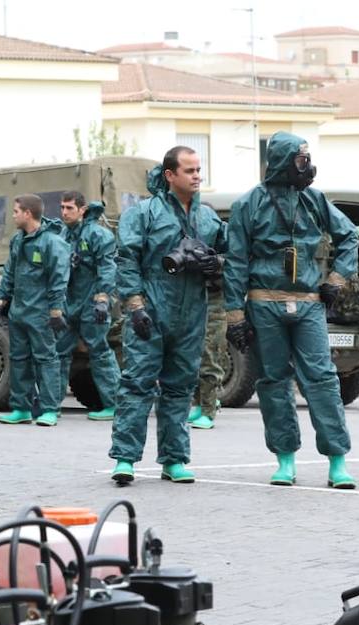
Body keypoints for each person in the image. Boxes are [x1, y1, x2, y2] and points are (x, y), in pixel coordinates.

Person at [222, 132, 359, 489]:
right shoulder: (248, 205)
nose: (307, 166)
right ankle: (285, 460)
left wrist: (337, 278)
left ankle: (337, 461)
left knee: (323, 379)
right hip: (265, 304)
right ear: (284, 161)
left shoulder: (315, 200)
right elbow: (235, 261)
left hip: (310, 304)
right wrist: (235, 314)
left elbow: (349, 237)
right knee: (273, 382)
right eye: (300, 159)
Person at [109, 146, 225, 484]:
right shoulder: (143, 213)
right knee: (137, 383)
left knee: (180, 386)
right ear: (170, 175)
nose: (197, 176)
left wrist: (215, 263)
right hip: (151, 308)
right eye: (189, 170)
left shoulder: (207, 217)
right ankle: (125, 458)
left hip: (192, 313)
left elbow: (232, 252)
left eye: (198, 169)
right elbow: (127, 258)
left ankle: (174, 459)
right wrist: (134, 306)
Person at [0, 194, 71, 427]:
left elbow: (59, 278)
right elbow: (10, 271)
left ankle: (49, 408)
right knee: (18, 359)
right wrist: (0, 299)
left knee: (46, 359)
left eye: (16, 211)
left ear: (28, 213)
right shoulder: (18, 240)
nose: (13, 215)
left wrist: (56, 310)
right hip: (19, 311)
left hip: (41, 313)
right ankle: (21, 407)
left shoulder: (51, 242)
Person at [56, 192, 119, 421]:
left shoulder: (98, 235)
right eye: (62, 207)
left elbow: (107, 267)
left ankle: (114, 404)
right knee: (59, 353)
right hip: (68, 303)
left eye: (69, 208)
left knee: (100, 352)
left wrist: (103, 299)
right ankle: (51, 405)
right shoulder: (62, 235)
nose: (64, 212)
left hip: (91, 303)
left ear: (82, 210)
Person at [188, 286, 228, 430]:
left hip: (215, 300)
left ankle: (208, 411)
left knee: (210, 355)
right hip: (194, 297)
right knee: (194, 356)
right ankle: (199, 404)